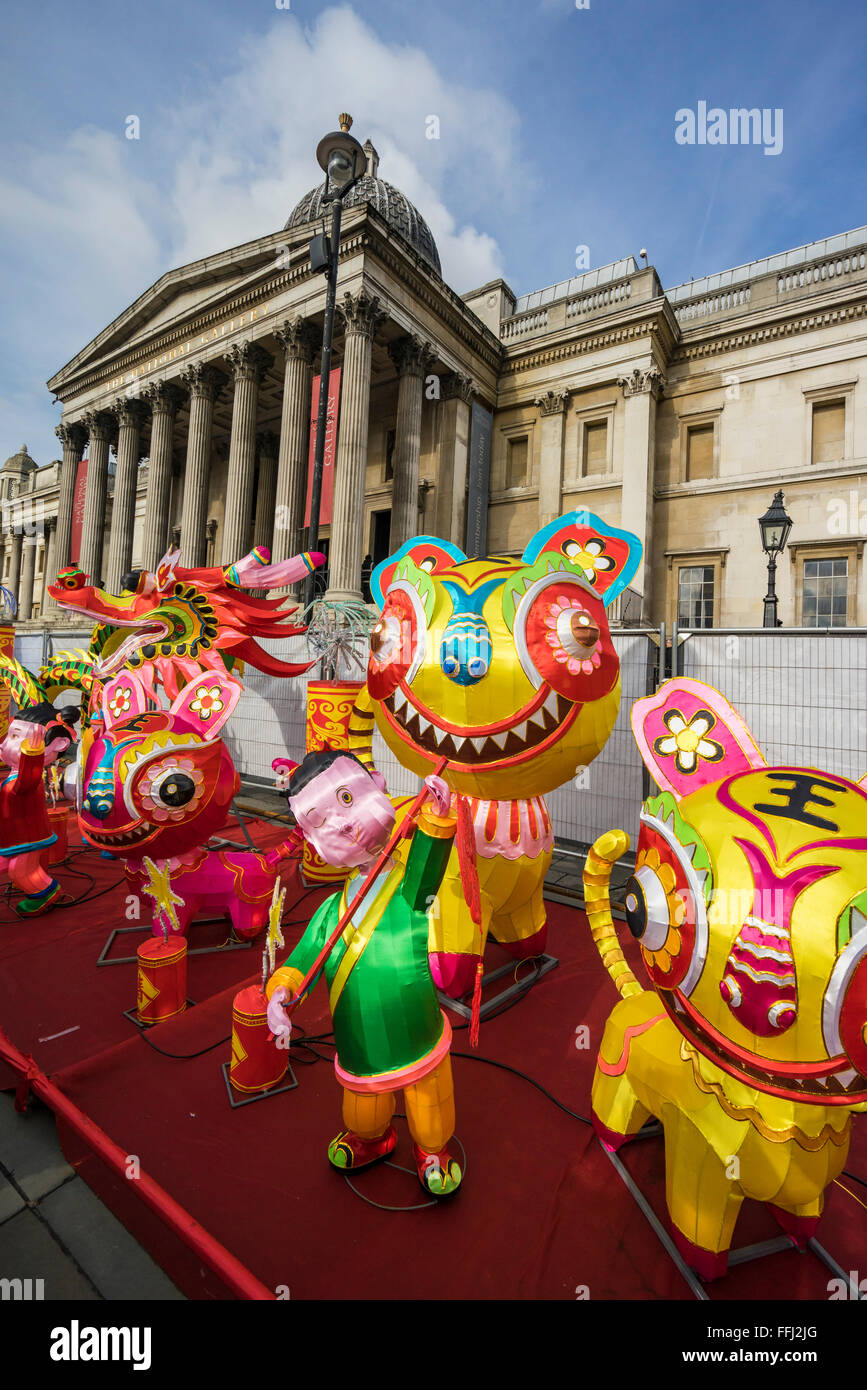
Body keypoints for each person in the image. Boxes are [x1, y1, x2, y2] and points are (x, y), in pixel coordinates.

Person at [265, 749, 462, 1196]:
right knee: (363, 1108)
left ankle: (433, 1150)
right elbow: (302, 959)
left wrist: (437, 817)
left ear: (377, 788)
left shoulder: (410, 890)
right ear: (311, 841)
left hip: (416, 1027)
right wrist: (282, 991)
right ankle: (373, 1139)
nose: (340, 823)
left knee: (430, 1104)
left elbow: (428, 869)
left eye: (348, 801)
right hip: (359, 1038)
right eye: (320, 820)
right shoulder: (333, 910)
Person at [0, 702, 74, 915]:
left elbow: (27, 779)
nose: (4, 745)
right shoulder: (14, 776)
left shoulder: (27, 779)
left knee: (20, 871)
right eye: (9, 737)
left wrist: (32, 756)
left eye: (15, 738)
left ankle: (46, 892)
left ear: (59, 744)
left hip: (28, 838)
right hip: (13, 836)